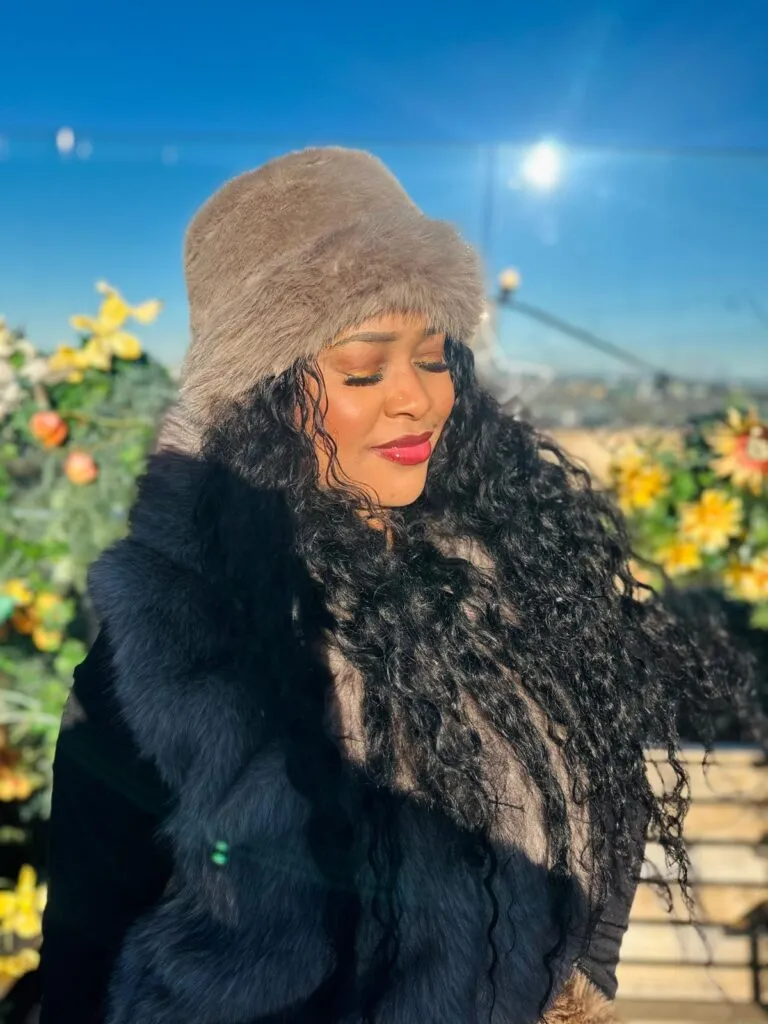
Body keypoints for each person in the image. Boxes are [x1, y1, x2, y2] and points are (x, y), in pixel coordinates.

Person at [39, 148, 758, 1024]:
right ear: (262, 396)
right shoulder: (173, 650)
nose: (417, 399)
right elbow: (83, 955)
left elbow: (606, 801)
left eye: (434, 356)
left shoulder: (514, 582)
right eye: (365, 370)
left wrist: (580, 988)